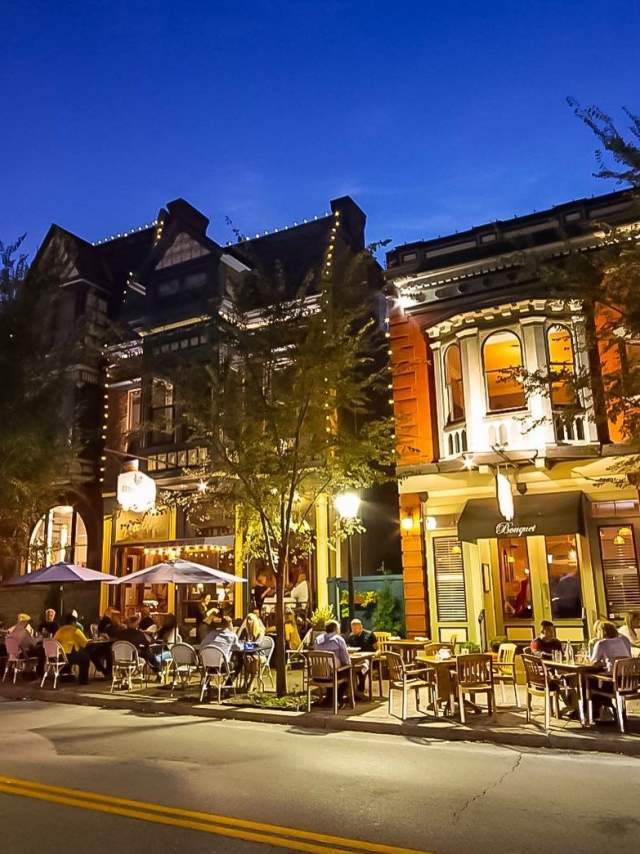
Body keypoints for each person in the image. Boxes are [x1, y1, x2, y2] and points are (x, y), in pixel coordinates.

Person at [589, 620, 632, 722]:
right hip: (627, 682)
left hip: (613, 682)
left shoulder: (601, 643)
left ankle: (595, 713)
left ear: (601, 631)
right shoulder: (622, 641)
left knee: (591, 682)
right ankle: (610, 711)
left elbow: (593, 663)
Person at [201, 616, 243, 683]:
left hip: (207, 667)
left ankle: (207, 687)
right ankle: (227, 685)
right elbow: (239, 648)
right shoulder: (232, 636)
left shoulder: (211, 634)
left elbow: (202, 645)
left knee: (210, 657)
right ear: (230, 624)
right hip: (223, 667)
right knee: (240, 661)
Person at [54, 613, 93, 684]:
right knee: (85, 658)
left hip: (58, 656)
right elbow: (84, 642)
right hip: (69, 655)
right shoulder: (75, 630)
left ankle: (65, 675)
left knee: (79, 656)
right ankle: (83, 681)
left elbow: (54, 641)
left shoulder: (59, 631)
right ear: (73, 622)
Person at [345, 618, 375, 694]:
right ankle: (351, 690)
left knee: (363, 666)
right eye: (352, 628)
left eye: (356, 628)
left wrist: (375, 655)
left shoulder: (370, 635)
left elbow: (378, 649)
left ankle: (360, 688)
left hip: (369, 659)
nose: (354, 630)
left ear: (361, 627)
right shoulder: (351, 636)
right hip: (355, 658)